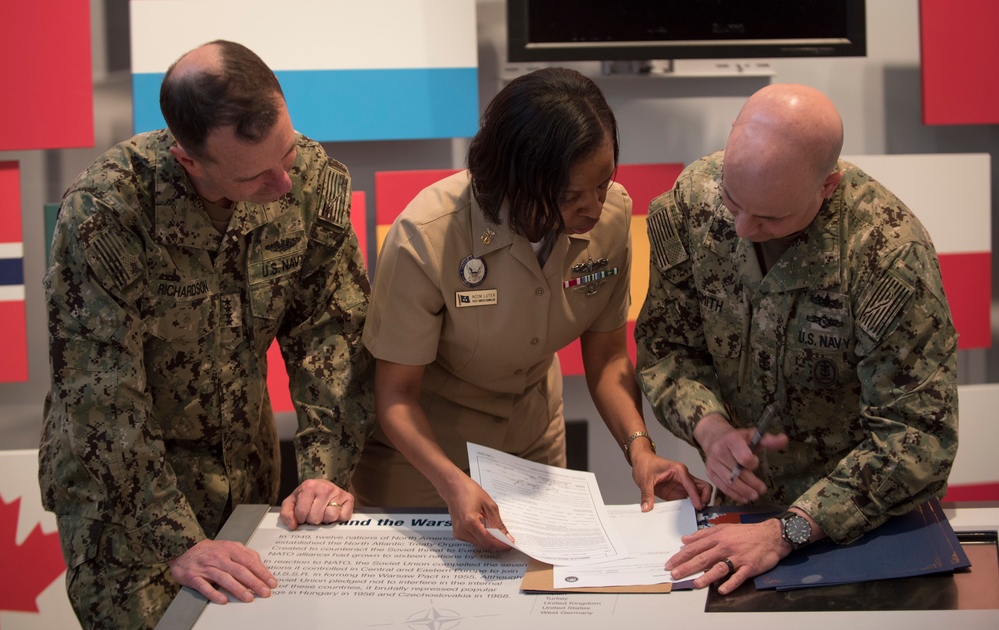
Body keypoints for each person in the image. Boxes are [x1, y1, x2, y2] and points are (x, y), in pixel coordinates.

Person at [38, 40, 374, 628]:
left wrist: (324, 468)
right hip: (125, 505)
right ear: (190, 162)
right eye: (254, 175)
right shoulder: (107, 214)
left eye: (287, 156)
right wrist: (175, 542)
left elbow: (332, 330)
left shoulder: (312, 181)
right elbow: (99, 400)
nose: (283, 185)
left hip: (247, 475)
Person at [352, 67, 711, 549]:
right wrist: (451, 482)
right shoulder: (428, 234)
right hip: (426, 456)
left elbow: (606, 357)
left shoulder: (612, 215)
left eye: (604, 183)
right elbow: (395, 397)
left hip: (532, 443)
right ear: (513, 183)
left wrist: (640, 450)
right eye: (569, 196)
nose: (593, 207)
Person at [634, 83, 959, 594]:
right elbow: (668, 350)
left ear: (827, 187)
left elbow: (917, 435)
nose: (742, 227)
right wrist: (710, 428)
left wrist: (790, 529)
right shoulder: (690, 204)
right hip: (740, 521)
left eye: (769, 217)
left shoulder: (886, 255)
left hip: (863, 533)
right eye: (733, 200)